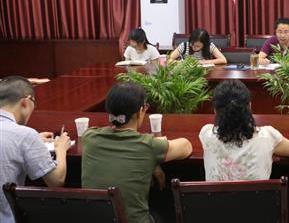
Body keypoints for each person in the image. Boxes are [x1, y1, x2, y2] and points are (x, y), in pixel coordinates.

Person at [82, 82, 192, 223]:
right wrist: (154, 155)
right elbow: (186, 146)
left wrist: (152, 162)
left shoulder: (89, 137)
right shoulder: (148, 145)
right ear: (140, 111)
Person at [0, 76, 71, 223]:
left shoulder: (24, 137)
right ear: (25, 101)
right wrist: (61, 149)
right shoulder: (25, 135)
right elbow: (56, 181)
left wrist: (33, 140)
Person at [199, 80, 289, 181]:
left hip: (216, 193)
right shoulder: (267, 136)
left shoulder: (206, 134)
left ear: (215, 110)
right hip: (261, 192)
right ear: (250, 107)